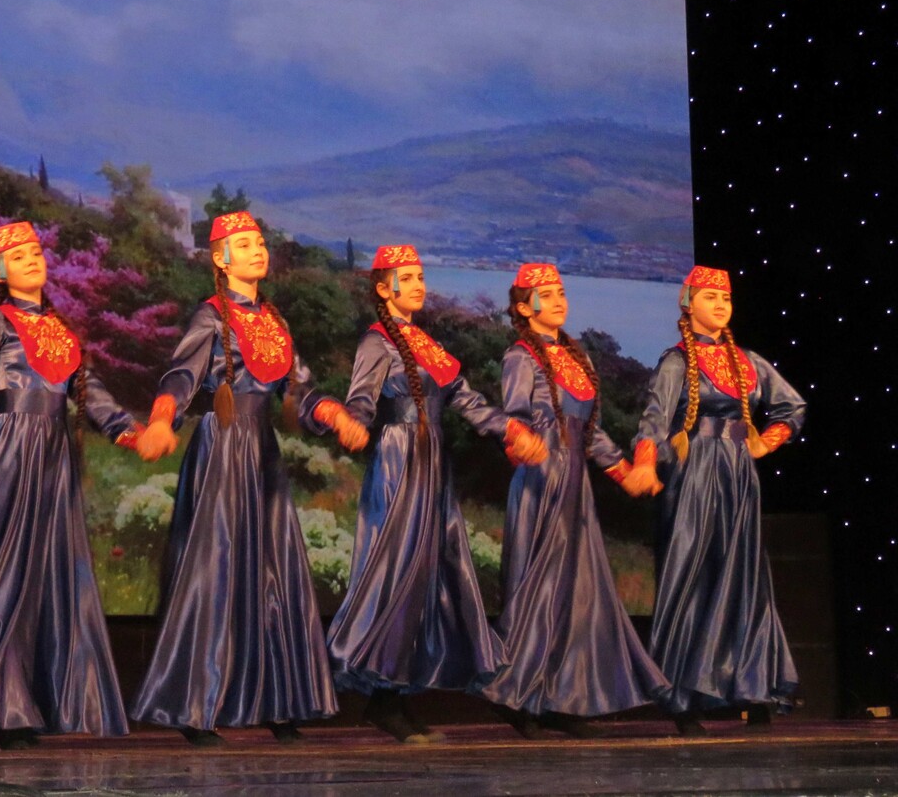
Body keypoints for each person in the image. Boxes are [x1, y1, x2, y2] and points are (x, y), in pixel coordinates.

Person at [131, 211, 368, 745]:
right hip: (221, 446)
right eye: (243, 244)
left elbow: (300, 390)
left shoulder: (274, 321)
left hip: (262, 451)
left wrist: (336, 417)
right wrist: (162, 420)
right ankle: (196, 706)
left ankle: (276, 699)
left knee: (272, 571)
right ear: (221, 258)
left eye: (259, 242)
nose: (257, 250)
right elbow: (181, 378)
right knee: (214, 571)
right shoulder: (210, 317)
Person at [0, 221, 148, 749]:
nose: (32, 260)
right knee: (5, 573)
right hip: (12, 450)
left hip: (53, 457)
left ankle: (43, 698)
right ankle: (0, 705)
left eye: (36, 253)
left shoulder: (59, 328)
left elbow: (89, 392)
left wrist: (127, 431)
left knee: (50, 575)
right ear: (0, 272)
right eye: (19, 256)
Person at [327, 245, 548, 744]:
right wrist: (350, 423)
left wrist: (511, 429)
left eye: (421, 276)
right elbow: (360, 401)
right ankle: (381, 697)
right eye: (407, 277)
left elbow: (469, 401)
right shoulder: (376, 341)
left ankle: (393, 698)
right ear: (384, 287)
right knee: (396, 574)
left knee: (430, 577)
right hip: (398, 461)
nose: (419, 284)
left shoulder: (427, 345)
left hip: (432, 464)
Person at [479, 263, 667, 738]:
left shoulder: (576, 357)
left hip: (576, 481)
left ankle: (560, 697)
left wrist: (625, 472)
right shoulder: (521, 356)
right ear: (525, 307)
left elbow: (590, 431)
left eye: (561, 291)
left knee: (576, 592)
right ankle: (515, 693)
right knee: (536, 591)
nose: (559, 300)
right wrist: (521, 443)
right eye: (547, 294)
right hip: (542, 479)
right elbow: (514, 419)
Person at [633, 266, 806, 735]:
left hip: (738, 474)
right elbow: (654, 417)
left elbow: (793, 405)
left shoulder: (747, 361)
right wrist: (646, 461)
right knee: (693, 573)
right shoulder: (676, 362)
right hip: (695, 474)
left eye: (725, 298)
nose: (720, 305)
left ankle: (752, 686)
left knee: (744, 576)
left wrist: (766, 442)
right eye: (710, 297)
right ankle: (682, 696)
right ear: (688, 304)